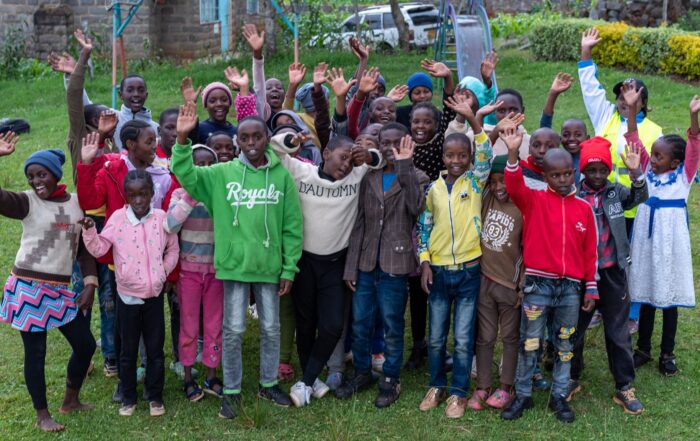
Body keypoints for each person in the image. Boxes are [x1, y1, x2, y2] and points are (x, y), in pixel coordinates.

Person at [171, 103, 302, 419]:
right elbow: (185, 173)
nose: (252, 142)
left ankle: (268, 384)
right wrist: (181, 139)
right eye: (245, 138)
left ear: (267, 137)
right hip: (233, 267)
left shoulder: (281, 176)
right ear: (237, 142)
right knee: (233, 328)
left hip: (269, 267)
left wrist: (289, 267)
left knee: (271, 326)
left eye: (258, 136)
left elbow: (292, 226)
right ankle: (231, 391)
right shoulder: (221, 174)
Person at [269, 131, 381, 407]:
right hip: (304, 262)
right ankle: (311, 379)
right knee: (305, 325)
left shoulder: (356, 176)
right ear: (326, 153)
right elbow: (273, 151)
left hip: (335, 264)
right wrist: (291, 141)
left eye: (349, 160)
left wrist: (365, 156)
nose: (345, 165)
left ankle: (305, 382)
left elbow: (380, 160)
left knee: (331, 326)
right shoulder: (303, 172)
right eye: (341, 158)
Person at [500, 128, 598, 424]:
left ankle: (559, 394)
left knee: (564, 342)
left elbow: (590, 253)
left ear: (574, 173)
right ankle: (524, 393)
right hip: (538, 286)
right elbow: (514, 185)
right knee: (531, 341)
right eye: (556, 175)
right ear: (545, 175)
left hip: (570, 289)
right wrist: (514, 153)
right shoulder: (534, 200)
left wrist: (590, 289)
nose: (563, 180)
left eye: (568, 174)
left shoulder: (584, 210)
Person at [0, 137, 97, 432]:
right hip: (28, 288)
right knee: (36, 352)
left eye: (42, 174)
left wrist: (90, 283)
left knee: (86, 345)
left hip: (60, 290)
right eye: (31, 176)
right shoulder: (27, 202)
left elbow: (83, 248)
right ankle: (42, 415)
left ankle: (70, 400)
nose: (35, 181)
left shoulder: (77, 203)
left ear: (56, 174)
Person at [338, 123, 429, 408]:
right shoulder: (369, 176)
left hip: (396, 263)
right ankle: (363, 370)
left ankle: (390, 377)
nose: (391, 149)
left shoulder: (417, 176)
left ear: (407, 143)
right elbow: (360, 223)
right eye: (385, 143)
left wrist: (404, 166)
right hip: (366, 262)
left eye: (396, 143)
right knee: (361, 321)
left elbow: (417, 207)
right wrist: (351, 266)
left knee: (392, 323)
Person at [416, 99, 493, 419]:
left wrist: (474, 121)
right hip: (438, 272)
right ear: (443, 158)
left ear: (469, 158)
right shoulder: (433, 189)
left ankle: (459, 393)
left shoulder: (475, 182)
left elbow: (486, 154)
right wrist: (423, 261)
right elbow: (423, 227)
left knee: (462, 337)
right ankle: (436, 385)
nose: (457, 160)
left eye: (463, 156)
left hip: (469, 271)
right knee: (435, 338)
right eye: (451, 155)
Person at [82, 170, 179, 417]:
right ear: (126, 196)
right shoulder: (117, 218)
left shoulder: (160, 218)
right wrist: (90, 232)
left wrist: (162, 273)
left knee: (156, 349)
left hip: (154, 296)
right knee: (127, 351)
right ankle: (128, 397)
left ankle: (155, 397)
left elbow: (172, 248)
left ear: (151, 194)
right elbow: (100, 247)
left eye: (143, 194)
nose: (138, 200)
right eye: (133, 195)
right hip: (126, 296)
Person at [567, 130, 647, 415]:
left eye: (603, 169)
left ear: (609, 170)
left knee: (618, 332)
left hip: (612, 273)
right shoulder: (573, 192)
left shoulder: (616, 191)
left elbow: (640, 195)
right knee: (573, 329)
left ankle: (624, 386)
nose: (598, 175)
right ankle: (571, 377)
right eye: (592, 169)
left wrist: (636, 172)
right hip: (581, 274)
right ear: (583, 169)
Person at [626, 92, 700, 377]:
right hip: (647, 239)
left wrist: (694, 117)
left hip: (670, 243)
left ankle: (667, 353)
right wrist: (632, 109)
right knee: (645, 292)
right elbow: (633, 139)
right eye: (653, 154)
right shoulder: (647, 169)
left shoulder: (684, 176)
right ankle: (643, 348)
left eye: (659, 156)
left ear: (675, 162)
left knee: (667, 298)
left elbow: (694, 145)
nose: (652, 159)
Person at [164, 144, 224, 401]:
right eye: (196, 164)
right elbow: (170, 224)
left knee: (214, 325)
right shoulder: (179, 193)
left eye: (208, 164)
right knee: (188, 326)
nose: (202, 169)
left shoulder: (220, 193)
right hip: (189, 272)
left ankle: (211, 375)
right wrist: (191, 194)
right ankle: (188, 377)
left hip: (216, 272)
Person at [467, 155, 523, 411]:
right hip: (484, 280)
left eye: (504, 181)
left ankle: (506, 386)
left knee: (510, 337)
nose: (500, 187)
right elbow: (479, 165)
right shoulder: (487, 197)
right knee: (486, 336)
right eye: (495, 181)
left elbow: (528, 249)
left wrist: (522, 283)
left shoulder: (523, 207)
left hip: (510, 286)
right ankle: (483, 385)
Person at [539, 72, 589, 183]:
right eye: (566, 135)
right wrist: (553, 94)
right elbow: (544, 129)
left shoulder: (590, 160)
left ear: (588, 138)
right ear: (560, 139)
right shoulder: (556, 157)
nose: (571, 138)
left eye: (578, 134)